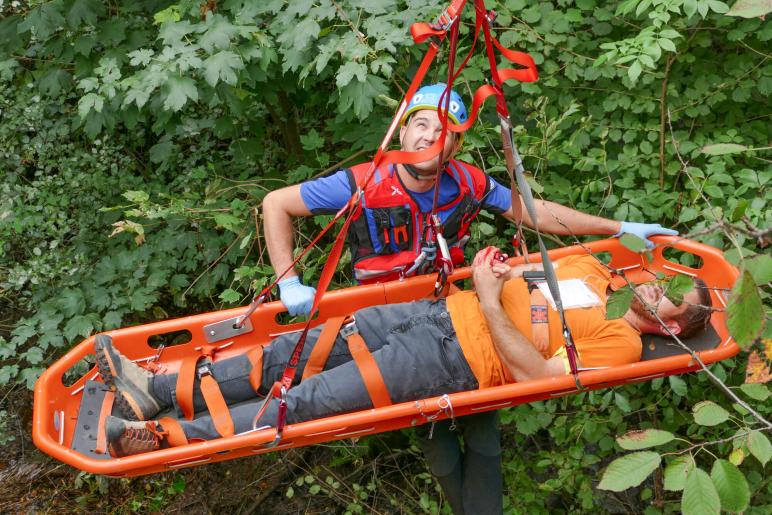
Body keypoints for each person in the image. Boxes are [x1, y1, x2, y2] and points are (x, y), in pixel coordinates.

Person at [260, 83, 678, 513]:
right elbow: (277, 203)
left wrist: (614, 226)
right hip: (379, 315)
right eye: (420, 124)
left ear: (455, 144)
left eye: (443, 131)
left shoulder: (466, 183)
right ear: (402, 132)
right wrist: (288, 281)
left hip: (450, 312)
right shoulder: (364, 183)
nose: (429, 137)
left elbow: (534, 213)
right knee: (432, 426)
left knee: (481, 417)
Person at [99, 249, 712, 463]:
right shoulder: (591, 270)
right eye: (660, 279)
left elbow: (536, 376)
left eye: (668, 295)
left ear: (673, 326)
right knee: (290, 353)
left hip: (452, 363)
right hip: (433, 312)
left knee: (306, 402)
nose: (654, 286)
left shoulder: (624, 344)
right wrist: (495, 272)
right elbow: (518, 278)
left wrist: (495, 297)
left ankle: (164, 436)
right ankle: (154, 388)